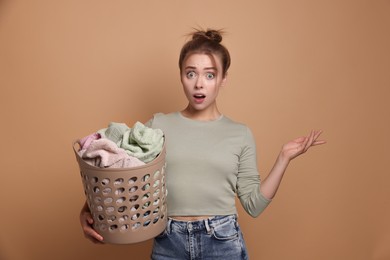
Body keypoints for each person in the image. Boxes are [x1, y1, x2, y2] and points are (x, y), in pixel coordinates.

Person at [79, 28, 325, 259]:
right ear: (181, 76)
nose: (199, 83)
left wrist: (284, 158)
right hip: (168, 240)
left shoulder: (240, 134)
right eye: (191, 73)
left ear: (223, 79)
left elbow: (253, 205)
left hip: (222, 241)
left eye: (209, 74)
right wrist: (89, 211)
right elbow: (119, 175)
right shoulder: (157, 127)